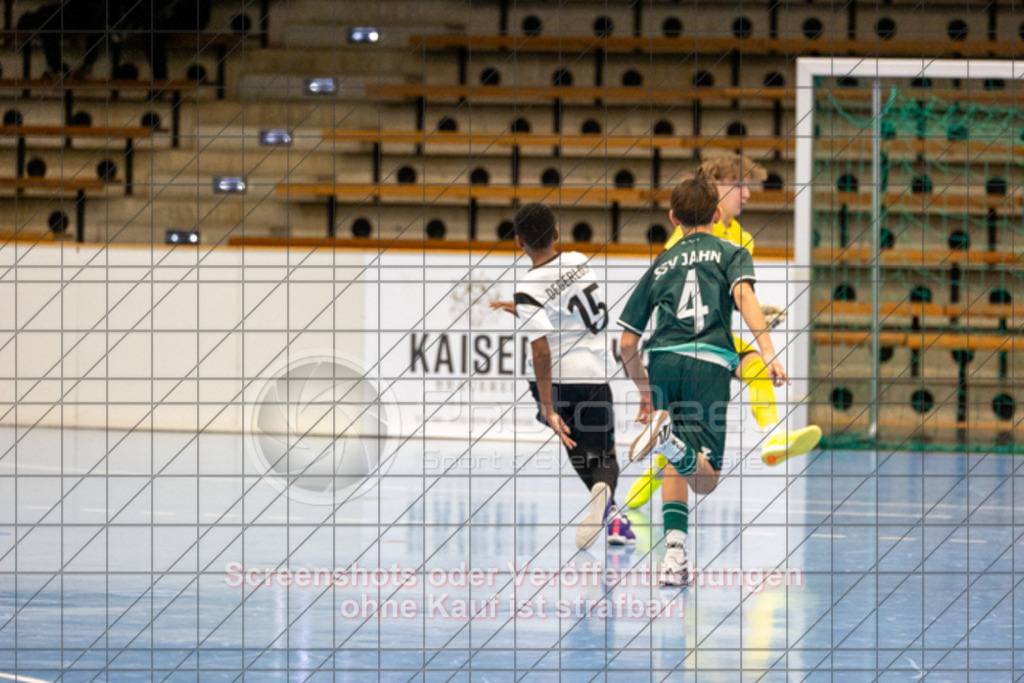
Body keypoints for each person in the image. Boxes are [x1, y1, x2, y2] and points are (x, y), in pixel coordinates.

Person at [618, 172, 788, 586]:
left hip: (662, 360)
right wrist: (767, 351)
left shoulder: (659, 264)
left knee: (675, 461)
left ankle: (674, 556)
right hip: (708, 362)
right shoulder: (731, 251)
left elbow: (626, 343)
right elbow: (744, 296)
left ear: (673, 218)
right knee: (705, 479)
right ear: (716, 214)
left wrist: (644, 391)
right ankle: (671, 444)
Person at [626, 153, 822, 509]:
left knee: (748, 372)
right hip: (688, 337)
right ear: (713, 189)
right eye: (738, 184)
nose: (746, 193)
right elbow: (683, 290)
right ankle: (769, 435)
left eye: (748, 185)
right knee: (690, 434)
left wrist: (754, 314)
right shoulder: (685, 236)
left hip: (701, 338)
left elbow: (727, 293)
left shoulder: (743, 238)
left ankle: (771, 436)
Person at [491, 203, 634, 550]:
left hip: (556, 381)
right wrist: (523, 308)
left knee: (574, 444)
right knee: (604, 455)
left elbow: (542, 351)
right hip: (592, 374)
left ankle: (614, 516)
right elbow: (568, 306)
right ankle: (610, 508)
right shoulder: (579, 261)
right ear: (556, 233)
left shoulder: (528, 288)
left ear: (519, 242)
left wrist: (548, 407)